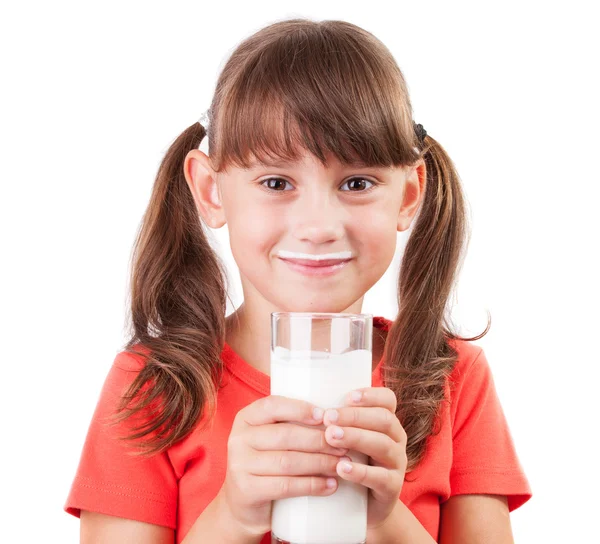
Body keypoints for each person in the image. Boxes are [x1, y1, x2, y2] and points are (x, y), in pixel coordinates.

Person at [64, 17, 532, 543]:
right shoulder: (153, 386)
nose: (318, 227)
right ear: (212, 191)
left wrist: (386, 519)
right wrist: (234, 517)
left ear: (407, 194)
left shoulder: (453, 378)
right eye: (276, 181)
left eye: (356, 183)